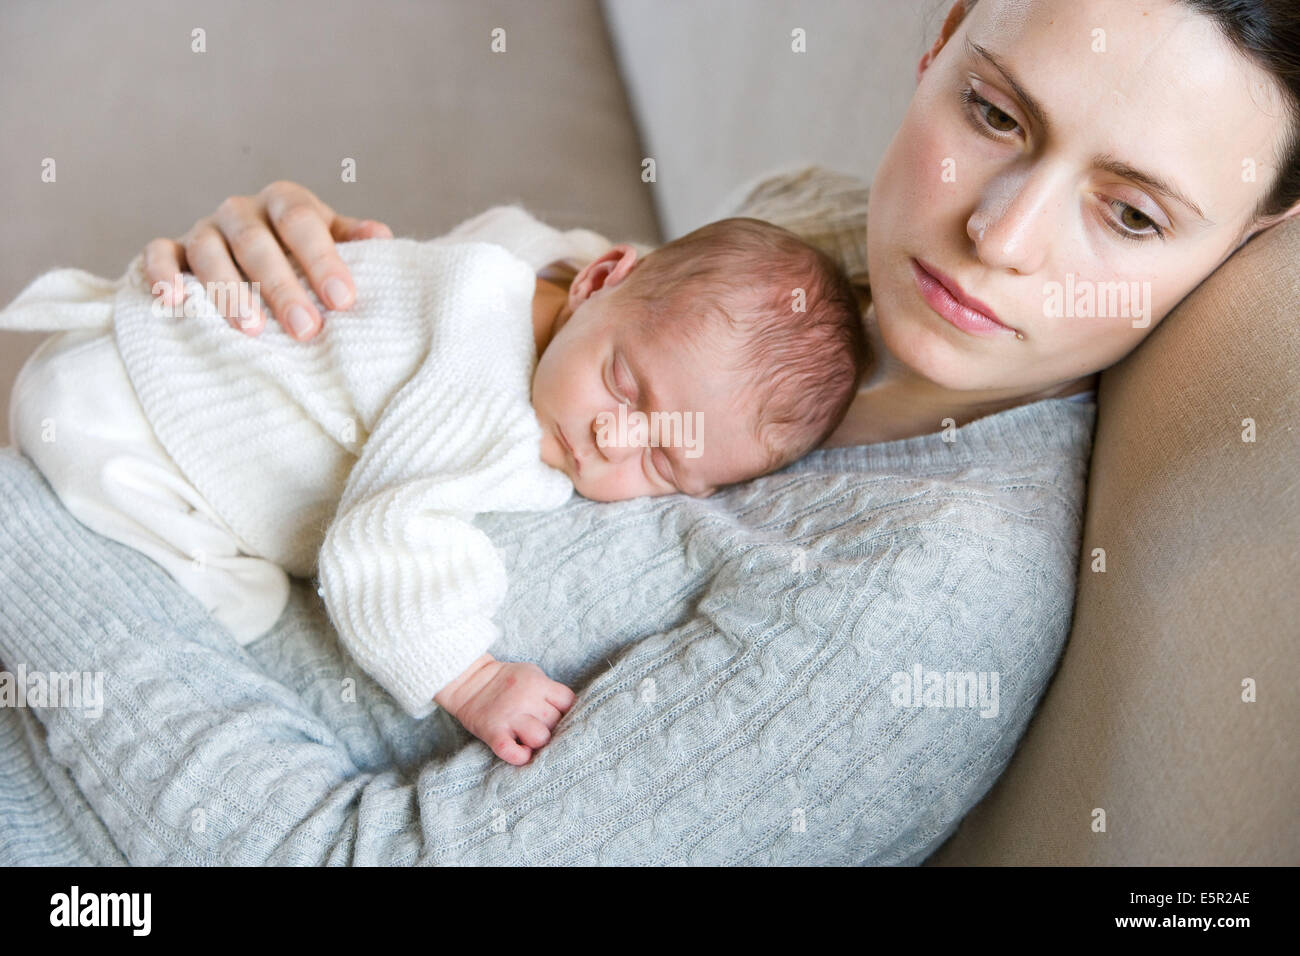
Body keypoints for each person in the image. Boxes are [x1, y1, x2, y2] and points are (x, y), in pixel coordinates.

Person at [1, 0, 1298, 865]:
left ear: (1235, 252)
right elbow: (501, 335)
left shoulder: (917, 600)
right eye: (996, 114)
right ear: (943, 37)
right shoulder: (814, 230)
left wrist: (22, 531)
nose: (1000, 239)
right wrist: (269, 290)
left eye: (1130, 216)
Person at [0, 208, 865, 766]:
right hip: (119, 419)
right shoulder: (489, 410)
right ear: (601, 280)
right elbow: (382, 543)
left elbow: (523, 233)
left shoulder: (519, 268)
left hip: (128, 350)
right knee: (231, 612)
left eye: (664, 460)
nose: (609, 442)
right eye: (627, 388)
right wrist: (474, 679)